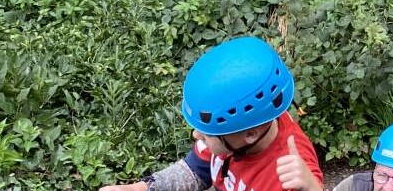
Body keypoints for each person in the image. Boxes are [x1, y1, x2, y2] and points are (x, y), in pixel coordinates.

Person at [99, 36, 324, 191]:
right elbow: (196, 170)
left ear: (250, 135)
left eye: (207, 134)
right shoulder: (238, 128)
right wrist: (138, 188)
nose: (196, 135)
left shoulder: (287, 175)